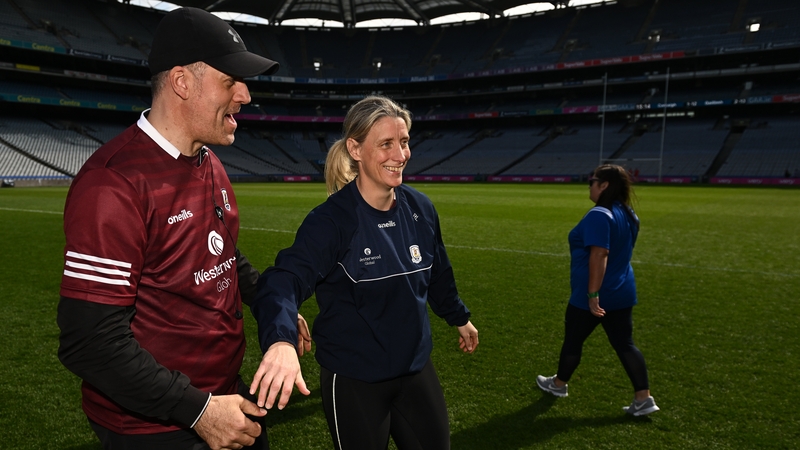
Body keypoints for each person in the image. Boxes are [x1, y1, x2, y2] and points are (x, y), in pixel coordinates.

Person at [56, 7, 294, 449]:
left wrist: (267, 303)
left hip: (226, 398)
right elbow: (89, 341)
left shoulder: (210, 161)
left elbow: (219, 253)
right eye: (230, 81)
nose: (245, 94)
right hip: (158, 427)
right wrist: (198, 410)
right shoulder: (114, 183)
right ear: (182, 83)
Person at [248, 95, 479, 449]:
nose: (400, 155)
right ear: (355, 149)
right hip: (355, 379)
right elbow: (283, 280)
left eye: (403, 142)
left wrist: (458, 317)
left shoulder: (421, 208)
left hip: (416, 370)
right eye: (386, 144)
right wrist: (280, 340)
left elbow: (438, 272)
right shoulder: (331, 221)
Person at [536, 164, 659, 417]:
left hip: (594, 295)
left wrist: (593, 295)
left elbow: (600, 253)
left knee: (573, 340)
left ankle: (558, 384)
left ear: (604, 185)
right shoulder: (628, 213)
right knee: (625, 344)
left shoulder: (600, 215)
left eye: (592, 181)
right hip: (623, 290)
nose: (589, 186)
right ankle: (643, 398)